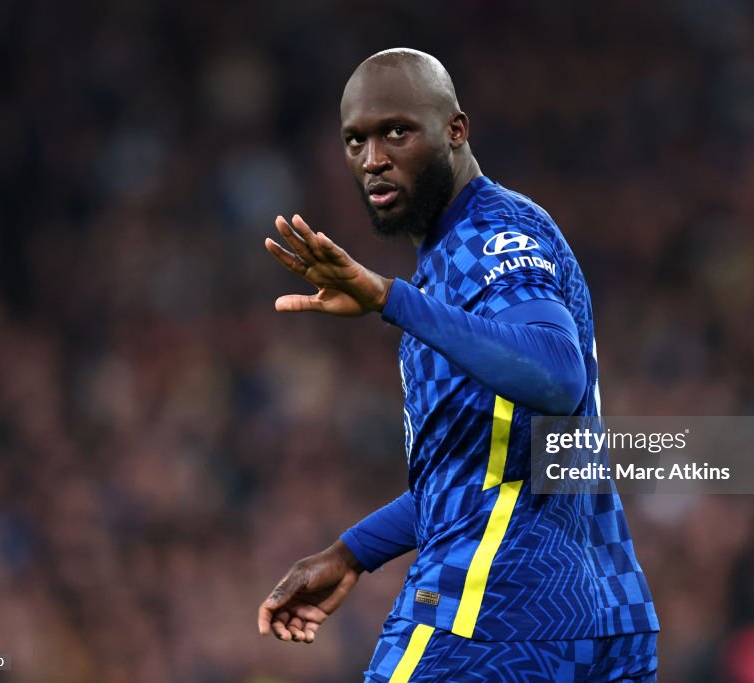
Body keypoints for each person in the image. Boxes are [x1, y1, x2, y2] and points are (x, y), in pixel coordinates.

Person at [258, 48, 659, 682]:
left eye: (396, 130)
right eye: (354, 140)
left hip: (491, 615)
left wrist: (392, 299)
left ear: (456, 129)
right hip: (602, 623)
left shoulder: (493, 237)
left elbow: (558, 379)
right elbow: (488, 473)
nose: (373, 159)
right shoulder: (452, 260)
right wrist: (354, 551)